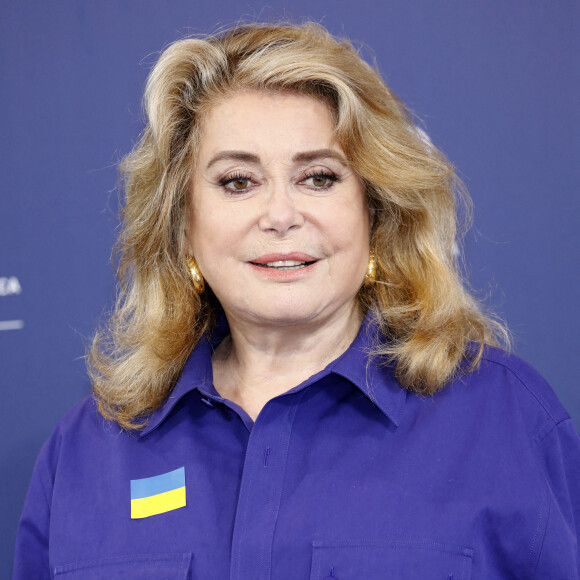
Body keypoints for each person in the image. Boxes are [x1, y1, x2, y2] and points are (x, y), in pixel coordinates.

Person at [14, 22, 580, 579]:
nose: (281, 216)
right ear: (183, 223)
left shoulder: (505, 422)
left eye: (318, 178)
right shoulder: (86, 454)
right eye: (238, 181)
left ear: (375, 211)